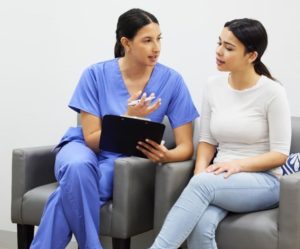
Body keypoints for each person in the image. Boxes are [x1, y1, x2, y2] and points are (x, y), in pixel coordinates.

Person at [29, 8, 199, 249]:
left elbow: (186, 146)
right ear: (126, 43)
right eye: (147, 40)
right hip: (83, 147)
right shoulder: (95, 74)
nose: (156, 47)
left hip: (121, 161)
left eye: (159, 39)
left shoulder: (172, 81)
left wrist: (166, 156)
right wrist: (127, 117)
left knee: (69, 191)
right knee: (77, 166)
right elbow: (91, 139)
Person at [150, 18, 291, 249]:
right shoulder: (213, 86)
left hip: (264, 181)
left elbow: (280, 154)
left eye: (229, 48)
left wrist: (238, 165)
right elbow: (206, 140)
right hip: (218, 179)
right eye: (219, 43)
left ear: (251, 56)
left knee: (203, 185)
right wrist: (199, 172)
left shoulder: (273, 92)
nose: (219, 51)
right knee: (200, 226)